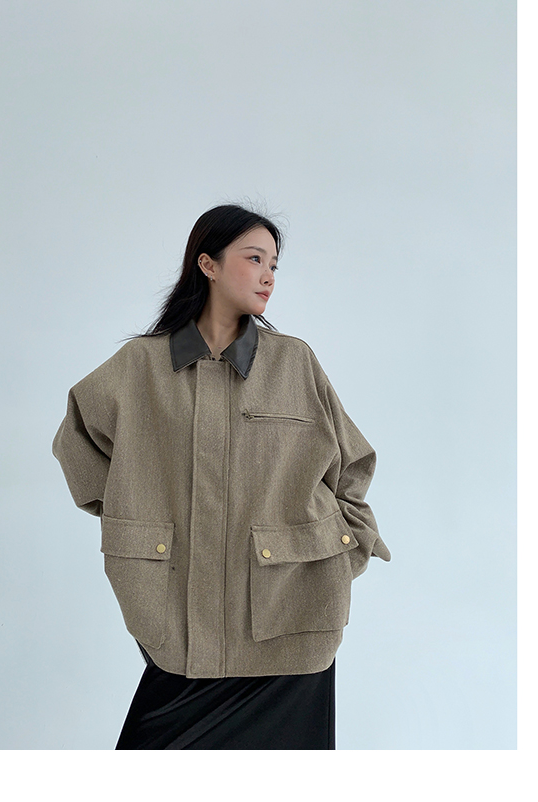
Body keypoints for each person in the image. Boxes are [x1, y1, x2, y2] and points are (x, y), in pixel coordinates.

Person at [52, 203, 391, 749]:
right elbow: (77, 442)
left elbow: (352, 463)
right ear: (207, 264)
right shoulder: (141, 366)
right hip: (177, 627)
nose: (268, 276)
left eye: (274, 265)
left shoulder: (293, 362)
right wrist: (133, 517)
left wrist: (341, 551)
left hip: (292, 618)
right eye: (254, 259)